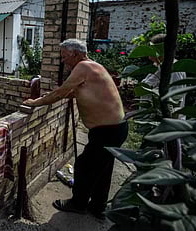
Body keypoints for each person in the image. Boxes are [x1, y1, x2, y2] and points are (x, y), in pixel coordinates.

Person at [23, 38, 127, 219]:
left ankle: (78, 203)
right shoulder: (94, 66)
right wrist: (69, 95)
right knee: (102, 169)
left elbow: (60, 92)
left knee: (85, 165)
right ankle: (98, 207)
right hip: (116, 128)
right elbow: (80, 90)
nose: (63, 61)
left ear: (76, 54)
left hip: (107, 131)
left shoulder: (83, 68)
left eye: (65, 57)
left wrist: (36, 102)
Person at [141, 34, 186, 118]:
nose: (149, 55)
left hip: (165, 122)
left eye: (152, 49)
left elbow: (175, 99)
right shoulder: (158, 67)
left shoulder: (174, 68)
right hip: (151, 120)